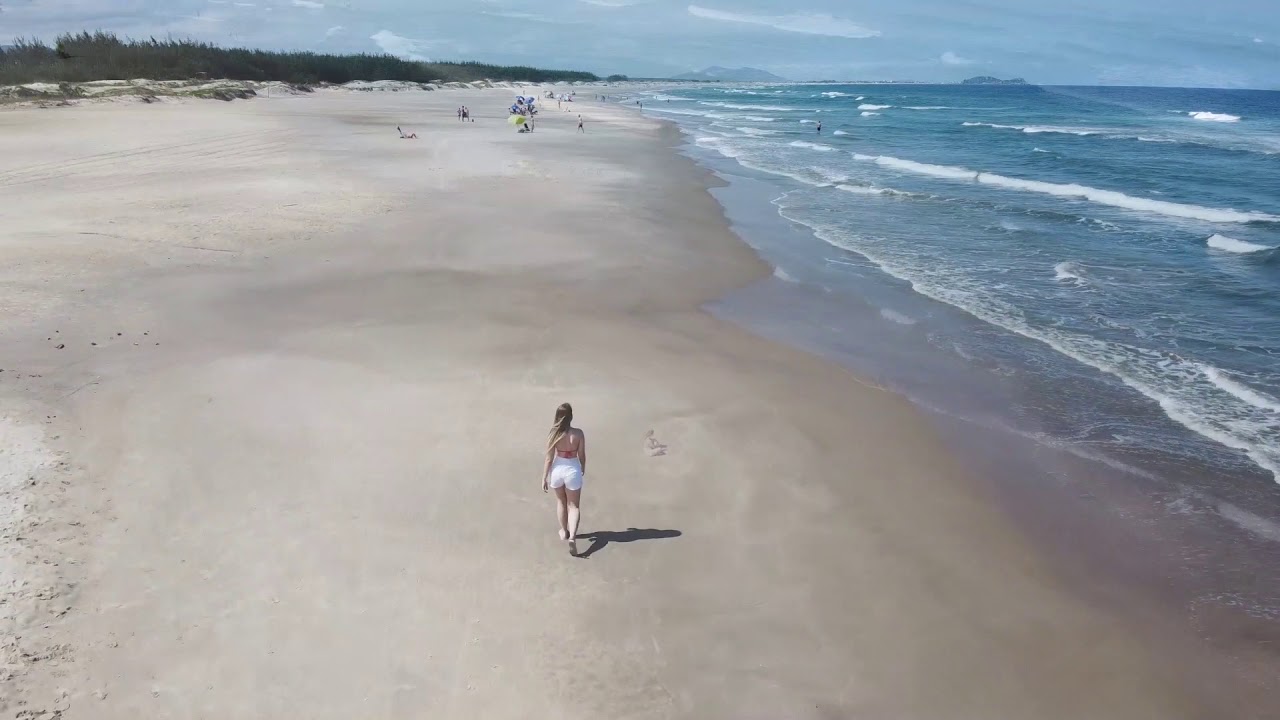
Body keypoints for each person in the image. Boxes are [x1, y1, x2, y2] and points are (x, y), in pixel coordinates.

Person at [542, 402, 586, 554]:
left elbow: (548, 458)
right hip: (572, 469)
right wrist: (583, 467)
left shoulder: (553, 434)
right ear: (571, 417)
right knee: (574, 506)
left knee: (561, 501)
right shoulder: (578, 434)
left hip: (557, 471)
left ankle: (564, 531)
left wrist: (544, 478)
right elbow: (582, 455)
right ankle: (573, 537)